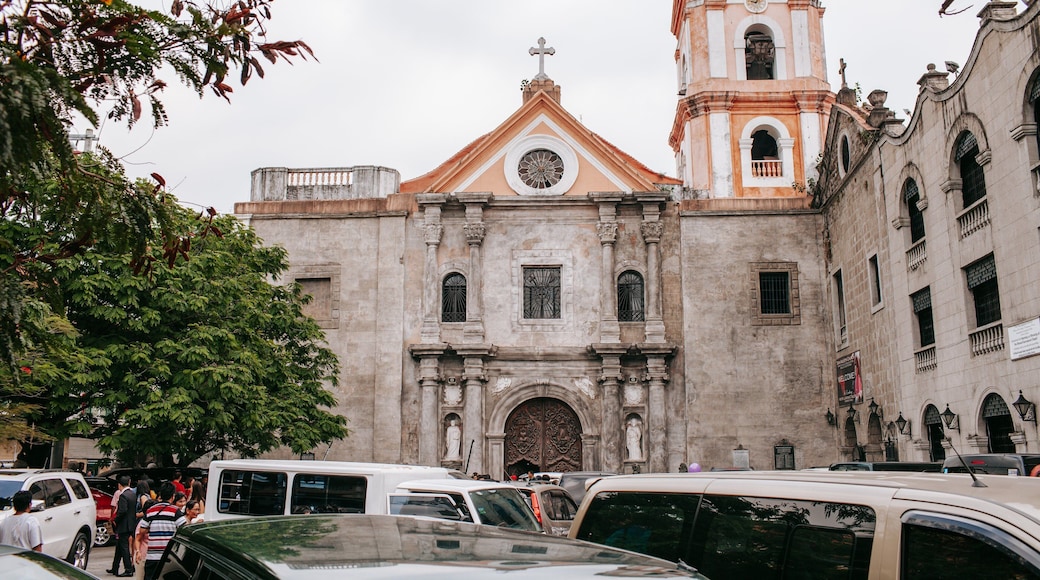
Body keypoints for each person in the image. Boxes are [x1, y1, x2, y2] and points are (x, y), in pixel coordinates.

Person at [136, 482, 187, 580]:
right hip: (168, 559)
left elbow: (140, 534)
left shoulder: (150, 511)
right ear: (173, 496)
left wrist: (138, 551)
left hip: (152, 558)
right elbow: (185, 531)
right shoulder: (176, 512)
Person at [109, 475, 137, 577]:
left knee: (124, 548)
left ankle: (128, 569)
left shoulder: (123, 496)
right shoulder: (133, 494)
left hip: (123, 525)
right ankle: (115, 567)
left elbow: (122, 511)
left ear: (119, 485)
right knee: (120, 547)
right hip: (131, 524)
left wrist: (115, 520)